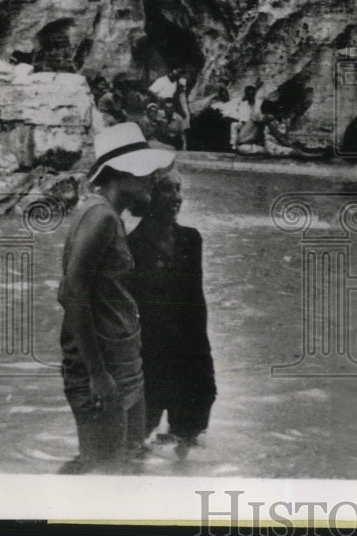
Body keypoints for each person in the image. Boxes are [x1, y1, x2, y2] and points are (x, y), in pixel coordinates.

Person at [57, 123, 175, 474]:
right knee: (105, 473)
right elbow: (71, 292)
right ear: (124, 173)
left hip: (121, 362)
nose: (154, 179)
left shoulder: (109, 215)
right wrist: (97, 374)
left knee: (127, 464)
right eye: (148, 172)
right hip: (103, 366)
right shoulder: (102, 217)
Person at [128, 165, 216, 458]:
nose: (177, 197)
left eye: (179, 189)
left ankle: (184, 482)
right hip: (150, 352)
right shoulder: (132, 244)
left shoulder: (191, 239)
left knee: (189, 434)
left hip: (188, 351)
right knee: (138, 435)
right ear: (148, 194)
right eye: (168, 189)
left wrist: (202, 357)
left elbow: (196, 301)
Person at [231, 85, 264, 153]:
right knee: (234, 125)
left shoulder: (260, 102)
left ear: (254, 93)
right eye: (248, 94)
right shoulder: (243, 104)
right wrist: (244, 122)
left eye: (251, 93)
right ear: (246, 94)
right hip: (246, 123)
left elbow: (262, 114)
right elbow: (241, 116)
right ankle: (233, 145)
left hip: (258, 122)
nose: (250, 95)